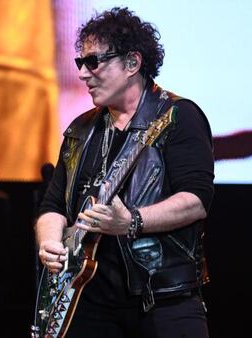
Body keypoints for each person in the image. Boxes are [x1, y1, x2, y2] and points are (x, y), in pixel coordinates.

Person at [35, 7, 214, 338]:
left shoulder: (176, 117)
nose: (84, 74)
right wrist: (49, 242)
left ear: (133, 63)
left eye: (94, 62)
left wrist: (131, 221)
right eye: (80, 63)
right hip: (89, 299)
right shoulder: (81, 129)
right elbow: (53, 206)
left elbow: (195, 200)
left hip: (162, 298)